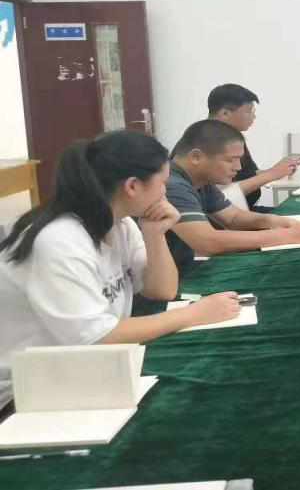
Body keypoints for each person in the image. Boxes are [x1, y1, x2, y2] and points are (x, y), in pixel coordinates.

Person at [0, 130, 242, 412]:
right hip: (19, 394)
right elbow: (95, 337)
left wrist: (155, 234)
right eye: (162, 183)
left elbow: (162, 290)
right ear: (132, 186)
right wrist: (194, 314)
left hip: (73, 371)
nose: (165, 193)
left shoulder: (121, 224)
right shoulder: (59, 240)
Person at [165, 119, 300, 271]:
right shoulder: (172, 185)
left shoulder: (200, 181)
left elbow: (233, 217)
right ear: (196, 157)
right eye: (231, 160)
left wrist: (275, 221)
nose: (238, 167)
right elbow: (208, 242)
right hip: (174, 278)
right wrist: (288, 235)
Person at [207, 84, 300, 212]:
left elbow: (248, 175)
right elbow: (219, 194)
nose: (253, 116)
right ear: (225, 113)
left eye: (253, 111)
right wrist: (271, 174)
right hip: (226, 215)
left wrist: (279, 169)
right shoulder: (207, 141)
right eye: (248, 111)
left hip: (245, 209)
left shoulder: (232, 136)